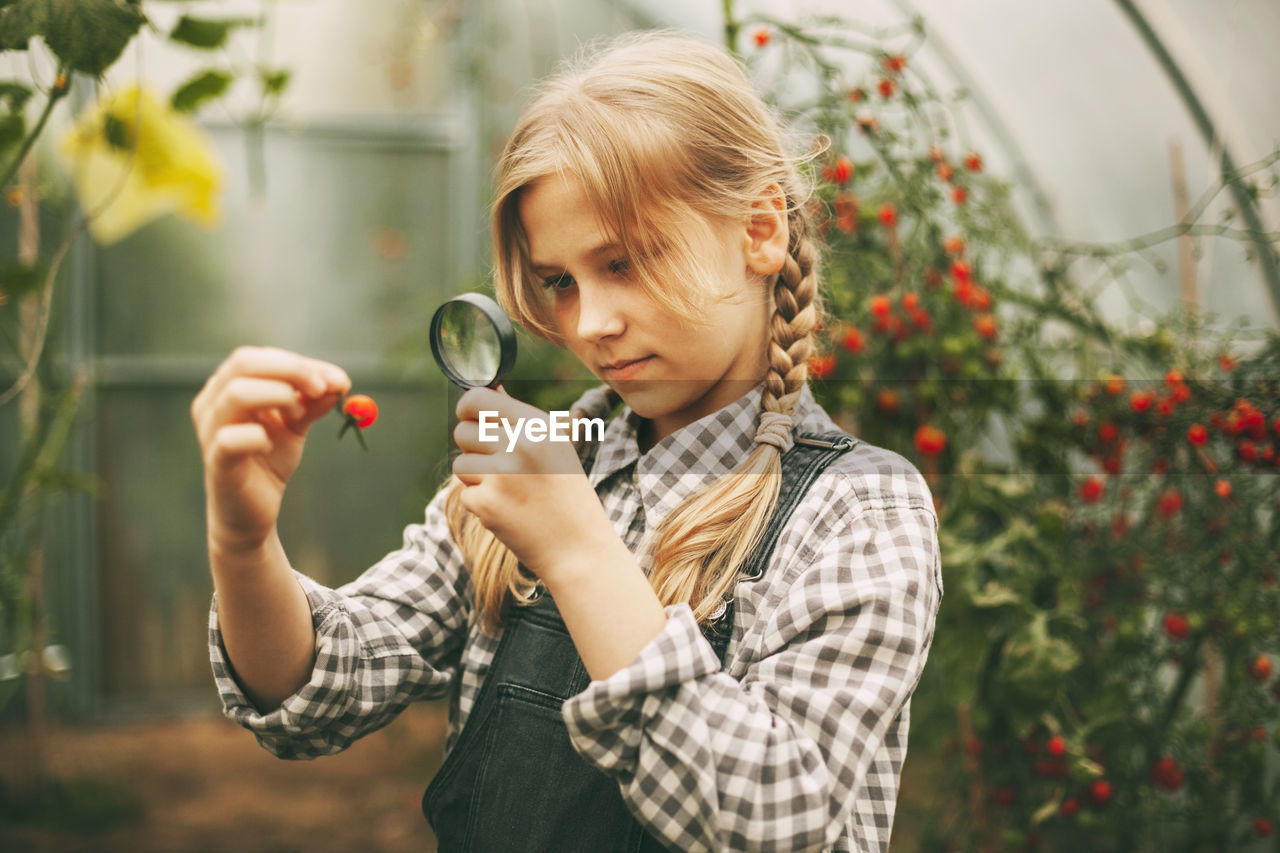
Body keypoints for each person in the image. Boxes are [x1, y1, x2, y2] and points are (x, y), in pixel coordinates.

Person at [194, 30, 942, 853]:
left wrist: (579, 551)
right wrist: (242, 538)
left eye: (624, 262)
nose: (590, 323)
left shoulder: (857, 510)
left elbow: (779, 820)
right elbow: (326, 685)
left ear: (759, 228)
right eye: (560, 282)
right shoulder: (545, 463)